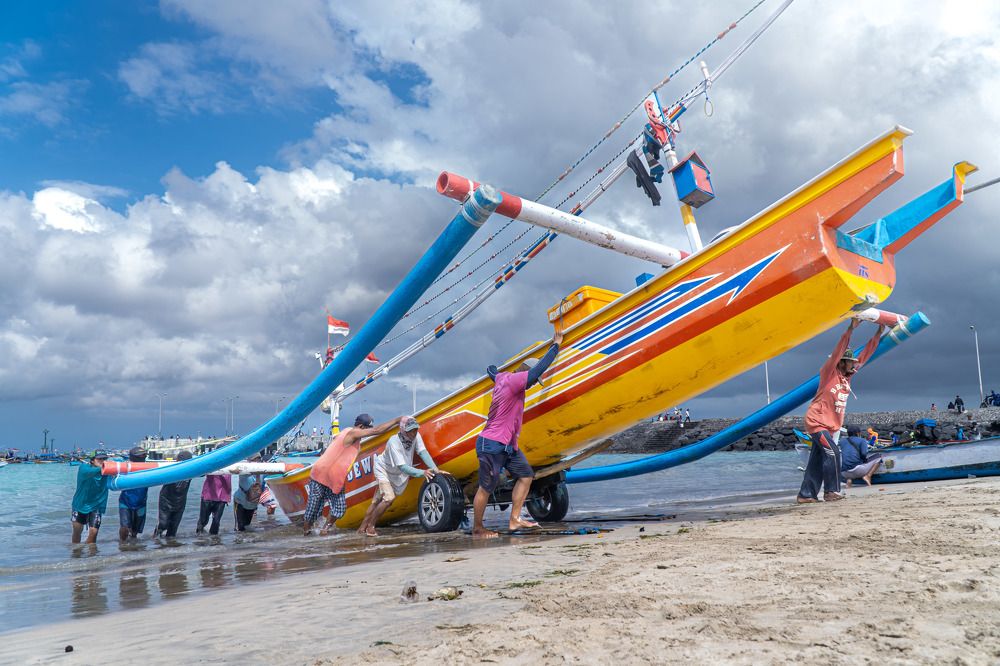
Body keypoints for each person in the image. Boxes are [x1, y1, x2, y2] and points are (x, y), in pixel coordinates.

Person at [473, 330, 563, 538]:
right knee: (486, 487)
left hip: (508, 447)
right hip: (492, 444)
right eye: (532, 381)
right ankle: (478, 529)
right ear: (524, 374)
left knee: (526, 475)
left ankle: (514, 520)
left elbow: (491, 370)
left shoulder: (502, 379)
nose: (532, 384)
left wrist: (493, 369)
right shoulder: (515, 382)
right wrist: (555, 346)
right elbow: (538, 369)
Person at [797, 320, 885, 504]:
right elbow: (838, 351)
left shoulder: (848, 377)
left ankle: (806, 495)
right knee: (833, 453)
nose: (854, 365)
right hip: (817, 422)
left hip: (831, 426)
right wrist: (851, 329)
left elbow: (866, 355)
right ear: (842, 362)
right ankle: (831, 492)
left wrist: (878, 333)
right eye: (850, 362)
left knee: (816, 461)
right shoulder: (829, 373)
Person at [303, 413, 403, 536]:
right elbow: (377, 431)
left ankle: (325, 530)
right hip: (321, 475)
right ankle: (306, 533)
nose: (368, 432)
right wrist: (397, 420)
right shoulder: (351, 433)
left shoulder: (352, 438)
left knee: (339, 508)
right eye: (367, 429)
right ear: (360, 426)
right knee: (313, 507)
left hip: (335, 480)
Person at [357, 416, 446, 537]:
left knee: (377, 500)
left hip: (396, 473)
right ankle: (370, 527)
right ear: (403, 430)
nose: (414, 432)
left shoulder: (416, 436)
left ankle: (361, 528)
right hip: (383, 470)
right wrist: (423, 472)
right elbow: (403, 467)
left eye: (416, 429)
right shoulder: (394, 442)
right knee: (388, 498)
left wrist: (436, 470)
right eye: (411, 430)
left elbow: (422, 452)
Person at [71, 450, 110, 544]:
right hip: (80, 505)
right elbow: (91, 472)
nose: (103, 461)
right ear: (92, 460)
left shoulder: (107, 470)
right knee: (77, 532)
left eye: (104, 459)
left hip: (96, 505)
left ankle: (91, 556)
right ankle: (76, 554)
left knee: (94, 532)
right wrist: (106, 467)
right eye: (99, 459)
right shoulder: (84, 468)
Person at [152, 450, 193, 538]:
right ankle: (156, 537)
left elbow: (204, 471)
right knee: (163, 524)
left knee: (172, 531)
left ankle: (170, 548)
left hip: (180, 502)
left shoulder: (192, 471)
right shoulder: (171, 469)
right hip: (166, 500)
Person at [118, 447, 150, 542]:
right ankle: (122, 545)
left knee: (135, 532)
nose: (144, 457)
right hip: (125, 502)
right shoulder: (126, 467)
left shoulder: (148, 468)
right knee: (124, 528)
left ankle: (133, 548)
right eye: (142, 455)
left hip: (141, 502)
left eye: (145, 455)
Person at [196, 469, 232, 535]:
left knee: (216, 521)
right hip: (208, 495)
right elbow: (201, 474)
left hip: (222, 497)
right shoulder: (213, 461)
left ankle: (214, 541)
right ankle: (199, 539)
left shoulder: (230, 463)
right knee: (203, 520)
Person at [233, 456, 264, 532]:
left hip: (252, 504)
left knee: (247, 525)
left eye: (258, 460)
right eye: (254, 460)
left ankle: (248, 542)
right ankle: (239, 542)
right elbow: (238, 469)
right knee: (239, 527)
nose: (256, 462)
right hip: (240, 502)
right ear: (249, 461)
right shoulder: (244, 471)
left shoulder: (263, 472)